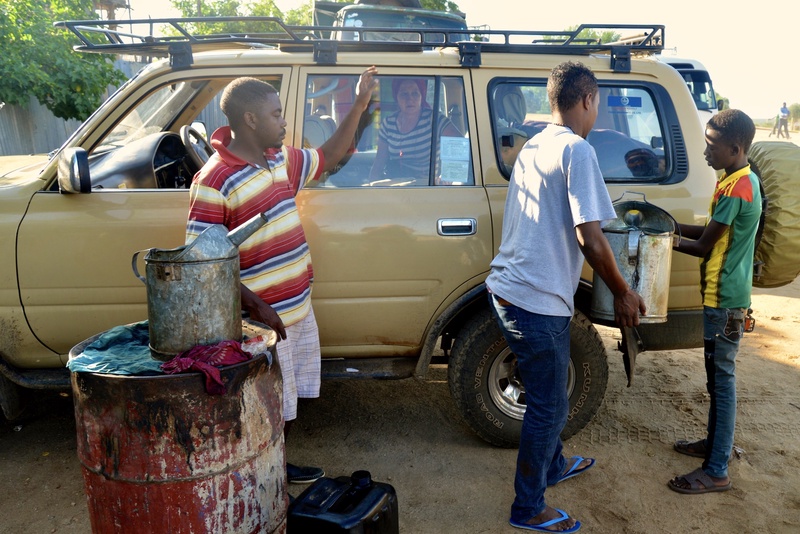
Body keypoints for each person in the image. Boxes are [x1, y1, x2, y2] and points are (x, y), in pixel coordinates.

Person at [186, 68, 379, 484]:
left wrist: (360, 105)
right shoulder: (214, 180)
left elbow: (329, 154)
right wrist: (260, 309)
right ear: (250, 120)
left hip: (296, 311)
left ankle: (275, 465)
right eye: (276, 114)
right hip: (263, 324)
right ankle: (260, 475)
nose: (284, 121)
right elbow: (205, 264)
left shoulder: (280, 160)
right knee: (268, 404)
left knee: (289, 403)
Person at [485, 61, 646, 532]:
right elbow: (591, 239)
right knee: (549, 405)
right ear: (587, 100)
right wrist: (623, 291)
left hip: (509, 290)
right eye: (597, 104)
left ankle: (553, 466)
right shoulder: (577, 150)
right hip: (533, 299)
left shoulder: (535, 145)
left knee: (547, 391)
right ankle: (527, 507)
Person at [667, 109, 761, 495]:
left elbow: (705, 245)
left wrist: (666, 241)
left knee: (721, 383)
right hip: (722, 300)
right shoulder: (737, 179)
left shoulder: (739, 187)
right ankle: (715, 446)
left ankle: (717, 468)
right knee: (716, 381)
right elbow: (711, 231)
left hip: (725, 303)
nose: (705, 151)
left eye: (711, 145)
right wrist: (670, 224)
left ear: (734, 148)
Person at [368, 77, 461, 183]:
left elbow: (458, 145)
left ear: (422, 96)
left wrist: (446, 179)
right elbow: (379, 162)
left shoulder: (434, 120)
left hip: (426, 188)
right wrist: (371, 187)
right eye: (404, 94)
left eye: (415, 94)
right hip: (395, 188)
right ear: (396, 97)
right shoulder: (388, 124)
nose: (410, 99)